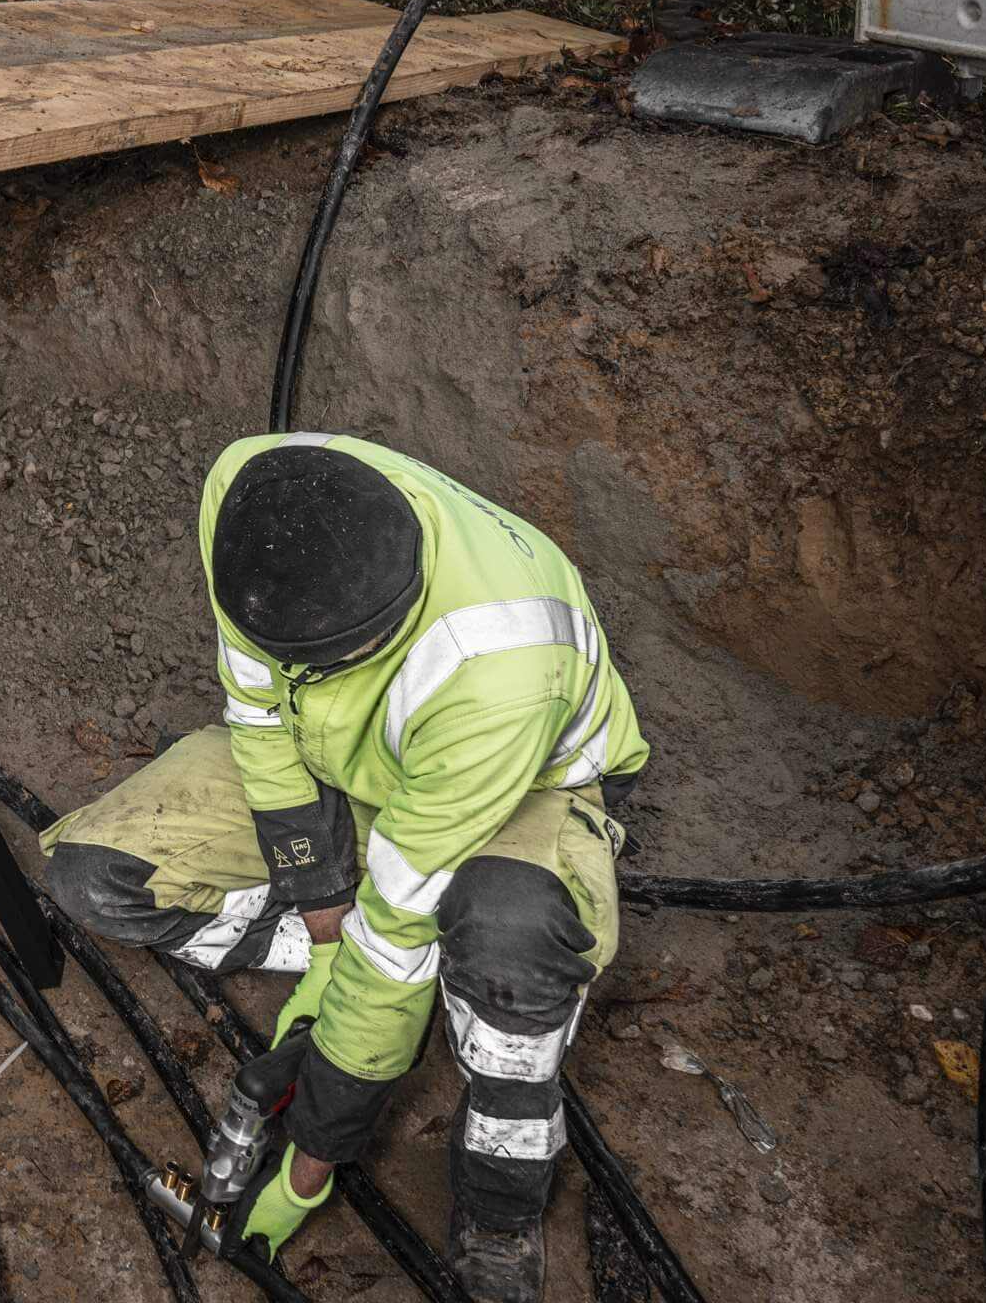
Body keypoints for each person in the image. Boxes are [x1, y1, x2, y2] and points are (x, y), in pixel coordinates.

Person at [41, 433, 648, 1303]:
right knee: (96, 876)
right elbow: (261, 719)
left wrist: (311, 1160)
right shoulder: (250, 492)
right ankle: (394, 953)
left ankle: (500, 1203)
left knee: (510, 939)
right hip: (348, 766)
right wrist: (328, 934)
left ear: (375, 635)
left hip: (514, 792)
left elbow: (395, 934)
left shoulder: (501, 670)